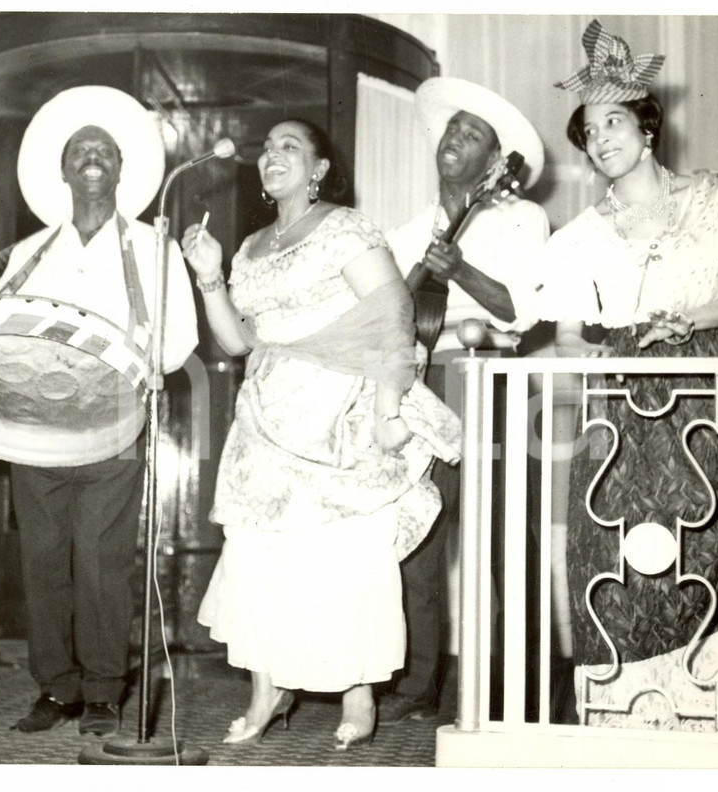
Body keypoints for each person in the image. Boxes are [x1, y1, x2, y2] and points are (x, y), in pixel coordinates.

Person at [182, 118, 461, 750]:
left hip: (339, 409)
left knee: (340, 556)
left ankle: (356, 694)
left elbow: (394, 314)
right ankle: (266, 691)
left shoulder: (345, 228)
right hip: (266, 414)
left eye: (291, 147)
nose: (272, 154)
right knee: (258, 554)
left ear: (318, 170)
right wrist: (208, 276)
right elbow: (235, 341)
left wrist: (390, 410)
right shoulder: (250, 246)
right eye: (267, 146)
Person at [540, 19, 718, 731]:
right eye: (588, 131)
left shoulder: (714, 195)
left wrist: (689, 318)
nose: (600, 139)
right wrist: (588, 353)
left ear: (646, 127)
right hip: (628, 399)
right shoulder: (579, 237)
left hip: (714, 382)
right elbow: (571, 333)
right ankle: (634, 723)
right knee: (618, 549)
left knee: (706, 540)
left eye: (613, 121)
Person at [0, 86, 198, 737]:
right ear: (62, 171)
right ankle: (56, 690)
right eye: (80, 151)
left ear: (119, 170)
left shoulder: (154, 247)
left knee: (104, 561)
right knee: (45, 560)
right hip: (37, 431)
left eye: (104, 152)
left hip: (115, 427)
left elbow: (182, 337)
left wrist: (144, 366)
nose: (92, 159)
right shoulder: (28, 253)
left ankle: (105, 690)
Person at [381, 77, 550, 725]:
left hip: (488, 382)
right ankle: (422, 682)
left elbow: (523, 311)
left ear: (497, 160)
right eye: (452, 129)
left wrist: (462, 272)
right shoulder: (406, 232)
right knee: (419, 537)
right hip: (421, 391)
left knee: (504, 541)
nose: (454, 138)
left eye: (472, 134)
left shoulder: (522, 220)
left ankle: (520, 689)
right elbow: (388, 320)